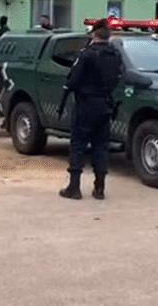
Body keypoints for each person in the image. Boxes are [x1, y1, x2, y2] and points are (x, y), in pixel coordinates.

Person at [58, 19, 122, 201]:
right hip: (106, 105)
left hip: (86, 105)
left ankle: (74, 188)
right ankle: (99, 189)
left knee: (78, 145)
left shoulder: (86, 54)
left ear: (94, 35)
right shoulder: (115, 55)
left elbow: (73, 80)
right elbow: (118, 77)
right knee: (101, 147)